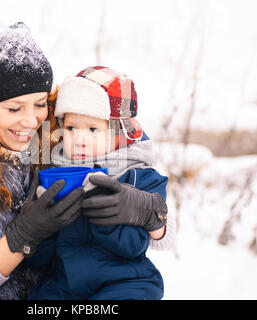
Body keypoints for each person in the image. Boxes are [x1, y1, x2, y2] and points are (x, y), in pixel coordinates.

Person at [0, 21, 170, 300]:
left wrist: (151, 213)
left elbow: (149, 210)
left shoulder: (58, 135)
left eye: (40, 104)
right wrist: (19, 240)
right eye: (14, 108)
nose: (31, 121)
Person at [26, 66, 176, 300]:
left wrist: (107, 216)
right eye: (72, 127)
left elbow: (134, 246)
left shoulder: (138, 175)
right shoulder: (53, 173)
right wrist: (38, 227)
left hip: (125, 283)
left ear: (118, 133)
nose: (79, 140)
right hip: (64, 285)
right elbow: (40, 259)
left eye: (93, 129)